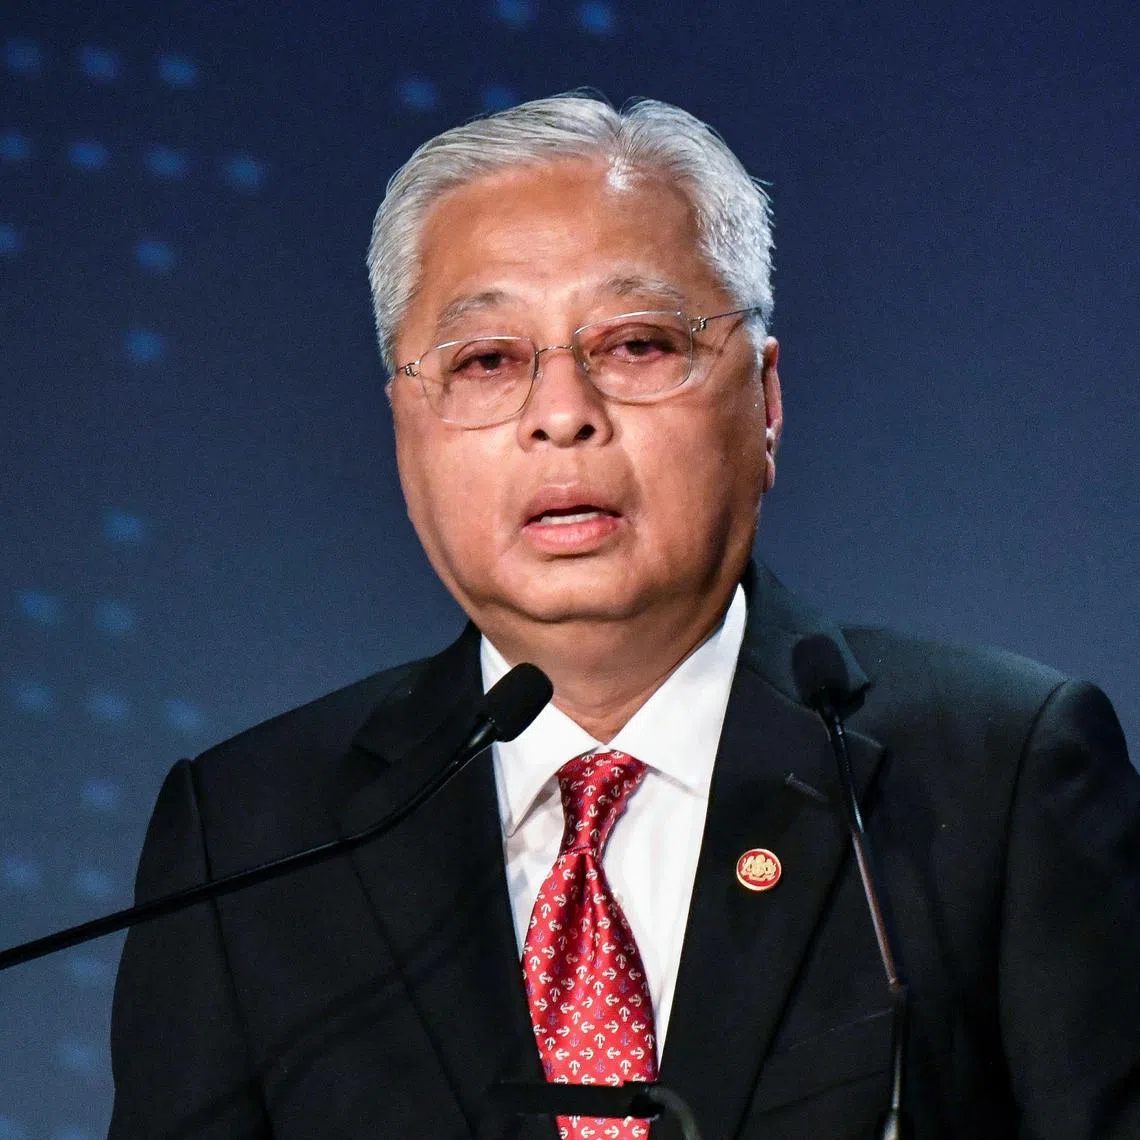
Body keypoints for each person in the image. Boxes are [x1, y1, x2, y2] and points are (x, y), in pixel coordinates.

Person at [108, 92, 1140, 1139]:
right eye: (487, 360)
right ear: (404, 430)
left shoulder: (996, 777)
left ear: (766, 402)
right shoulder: (248, 840)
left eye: (638, 344)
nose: (563, 415)